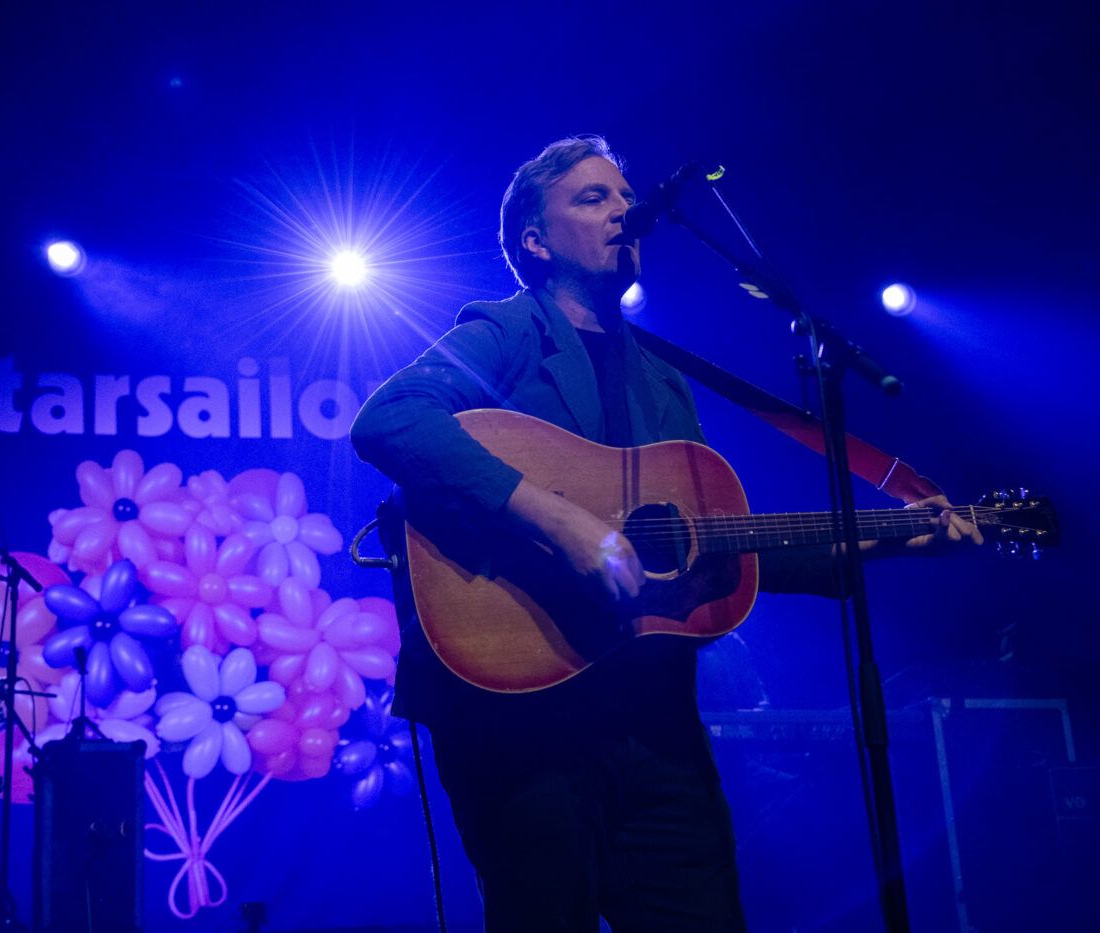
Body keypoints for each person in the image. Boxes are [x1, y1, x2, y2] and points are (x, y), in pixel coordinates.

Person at [349, 136, 981, 931]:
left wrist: (896, 538)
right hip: (519, 716)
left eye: (624, 195)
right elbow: (390, 418)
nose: (623, 209)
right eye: (593, 198)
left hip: (653, 717)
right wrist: (562, 521)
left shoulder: (662, 374)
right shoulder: (507, 330)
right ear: (536, 242)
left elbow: (715, 542)